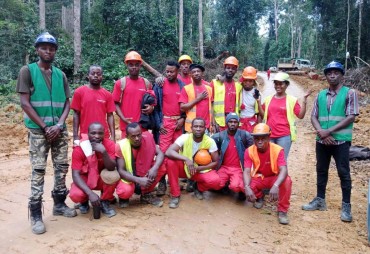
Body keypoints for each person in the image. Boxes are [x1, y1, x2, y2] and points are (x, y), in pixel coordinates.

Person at [16, 32, 76, 234]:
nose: (48, 51)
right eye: (44, 48)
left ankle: (59, 204)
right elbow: (25, 103)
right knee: (39, 170)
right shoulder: (28, 71)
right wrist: (44, 127)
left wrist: (59, 125)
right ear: (37, 50)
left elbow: (68, 102)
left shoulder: (60, 75)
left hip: (58, 129)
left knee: (61, 167)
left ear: (55, 51)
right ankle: (35, 214)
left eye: (51, 48)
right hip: (38, 131)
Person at [302, 61, 359, 222]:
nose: (332, 75)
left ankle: (346, 206)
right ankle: (320, 200)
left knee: (343, 172)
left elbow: (351, 116)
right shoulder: (321, 95)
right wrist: (322, 132)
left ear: (342, 75)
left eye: (336, 72)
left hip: (340, 141)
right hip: (322, 140)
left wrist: (329, 131)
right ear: (326, 76)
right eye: (329, 73)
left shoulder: (349, 93)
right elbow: (313, 116)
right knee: (321, 169)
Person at [165, 118, 221, 208]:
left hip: (199, 170)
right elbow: (168, 152)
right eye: (196, 126)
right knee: (170, 162)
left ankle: (198, 187)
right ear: (191, 128)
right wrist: (186, 159)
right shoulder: (185, 137)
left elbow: (215, 162)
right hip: (185, 168)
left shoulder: (210, 141)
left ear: (205, 128)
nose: (198, 129)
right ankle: (175, 195)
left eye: (201, 126)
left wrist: (199, 168)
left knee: (216, 181)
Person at [243, 123, 292, 225]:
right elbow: (247, 171)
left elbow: (284, 170)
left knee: (287, 181)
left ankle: (282, 210)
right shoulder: (249, 151)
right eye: (257, 139)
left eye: (263, 138)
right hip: (260, 177)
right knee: (247, 185)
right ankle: (259, 197)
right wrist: (246, 186)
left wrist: (276, 185)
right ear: (253, 139)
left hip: (274, 178)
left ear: (269, 137)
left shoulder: (277, 150)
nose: (260, 141)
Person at [259, 72, 312, 159]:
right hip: (269, 135)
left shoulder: (292, 100)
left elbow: (301, 116)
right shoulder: (269, 99)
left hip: (284, 136)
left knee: (281, 161)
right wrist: (258, 102)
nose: (278, 86)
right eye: (276, 83)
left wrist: (304, 100)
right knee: (270, 160)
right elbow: (263, 114)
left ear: (286, 85)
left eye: (281, 83)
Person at [69, 123, 117, 218]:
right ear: (88, 133)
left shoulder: (110, 144)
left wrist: (104, 152)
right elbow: (75, 175)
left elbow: (111, 168)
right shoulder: (80, 148)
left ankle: (105, 201)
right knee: (76, 194)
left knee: (113, 175)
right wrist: (90, 193)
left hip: (101, 178)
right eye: (93, 133)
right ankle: (84, 201)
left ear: (104, 134)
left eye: (100, 133)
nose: (97, 136)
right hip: (86, 178)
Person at [153, 61, 186, 196]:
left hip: (178, 123)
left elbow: (185, 106)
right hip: (165, 123)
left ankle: (174, 182)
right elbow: (154, 106)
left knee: (176, 154)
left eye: (172, 71)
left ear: (177, 72)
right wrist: (158, 124)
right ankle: (161, 181)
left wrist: (183, 119)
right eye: (167, 71)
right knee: (163, 153)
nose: (169, 74)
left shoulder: (182, 86)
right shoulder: (160, 85)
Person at [115, 123, 166, 208]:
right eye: (133, 136)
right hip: (129, 177)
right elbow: (121, 170)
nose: (137, 138)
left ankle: (146, 194)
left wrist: (154, 168)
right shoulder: (120, 146)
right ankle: (124, 198)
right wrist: (138, 180)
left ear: (141, 133)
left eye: (139, 135)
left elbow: (160, 153)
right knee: (125, 191)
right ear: (127, 136)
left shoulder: (148, 138)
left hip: (143, 174)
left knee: (162, 166)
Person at [112, 51, 154, 138]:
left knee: (143, 151)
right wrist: (123, 118)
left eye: (136, 64)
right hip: (127, 127)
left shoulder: (147, 83)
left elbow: (152, 101)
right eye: (131, 64)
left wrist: (151, 107)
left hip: (143, 127)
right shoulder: (120, 83)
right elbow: (115, 103)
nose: (134, 67)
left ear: (140, 66)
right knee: (126, 151)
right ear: (127, 65)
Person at [212, 113, 253, 200]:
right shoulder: (220, 136)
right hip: (224, 167)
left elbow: (253, 151)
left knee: (235, 186)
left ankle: (238, 190)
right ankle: (225, 185)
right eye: (230, 121)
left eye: (235, 122)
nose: (233, 124)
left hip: (238, 168)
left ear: (238, 123)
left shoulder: (245, 135)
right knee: (213, 183)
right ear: (226, 123)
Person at [71, 65, 115, 144]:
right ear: (88, 75)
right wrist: (75, 136)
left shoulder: (108, 94)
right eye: (93, 73)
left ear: (102, 76)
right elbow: (76, 114)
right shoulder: (79, 92)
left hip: (103, 136)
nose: (95, 76)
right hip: (85, 135)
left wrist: (113, 136)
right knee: (86, 156)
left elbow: (110, 115)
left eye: (98, 74)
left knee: (104, 156)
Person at [210, 56, 242, 132]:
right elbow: (210, 104)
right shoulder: (215, 83)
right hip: (219, 122)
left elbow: (248, 81)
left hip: (233, 122)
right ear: (224, 68)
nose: (230, 70)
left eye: (233, 68)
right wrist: (213, 123)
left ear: (236, 70)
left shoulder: (238, 86)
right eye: (228, 68)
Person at [179, 63, 213, 133]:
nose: (196, 73)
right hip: (191, 127)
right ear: (190, 75)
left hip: (206, 127)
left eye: (198, 71)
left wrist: (213, 124)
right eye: (194, 72)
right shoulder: (186, 88)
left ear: (202, 74)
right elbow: (182, 108)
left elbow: (212, 107)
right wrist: (198, 99)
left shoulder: (209, 89)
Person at [239, 66, 261, 132]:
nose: (247, 82)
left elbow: (259, 113)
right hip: (240, 123)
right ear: (243, 80)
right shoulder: (238, 90)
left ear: (253, 82)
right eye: (246, 80)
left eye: (250, 81)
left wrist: (259, 127)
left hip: (252, 123)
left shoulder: (256, 93)